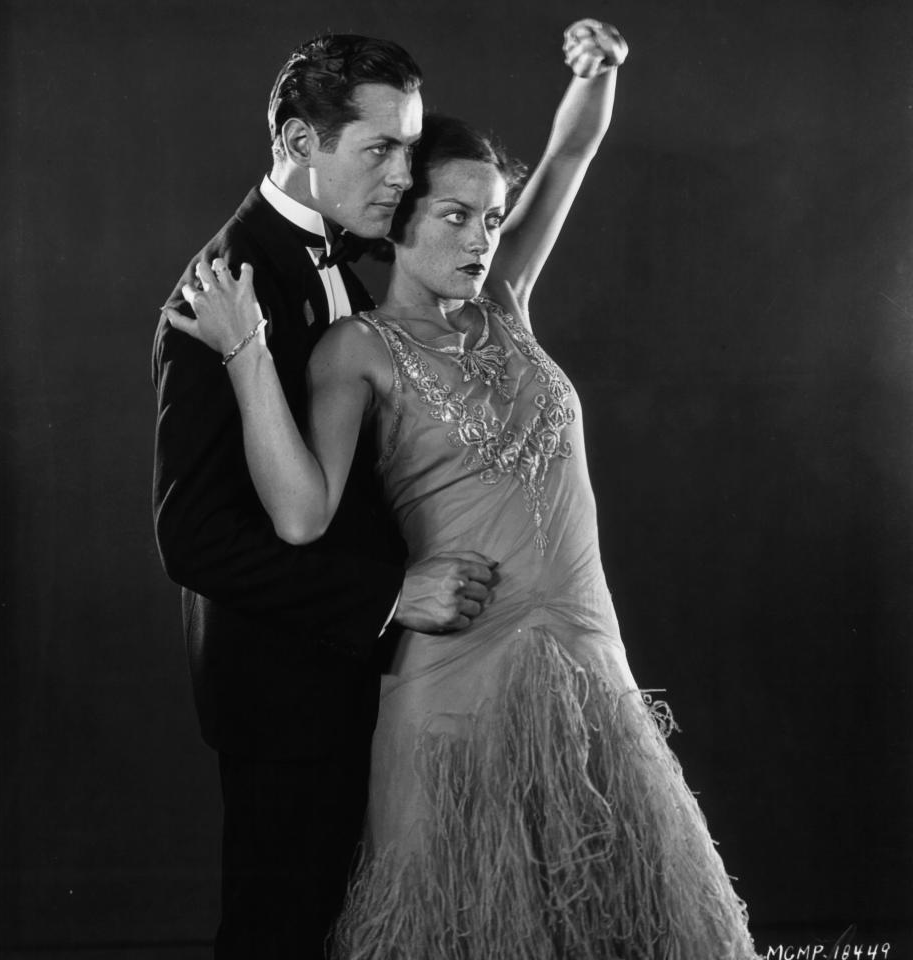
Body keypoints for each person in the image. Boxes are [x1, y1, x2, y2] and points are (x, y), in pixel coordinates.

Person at [165, 18, 761, 960]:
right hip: (445, 675)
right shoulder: (352, 346)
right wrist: (244, 351)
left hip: (587, 671)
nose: (484, 238)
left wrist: (599, 68)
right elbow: (291, 515)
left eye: (492, 217)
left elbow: (570, 154)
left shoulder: (503, 301)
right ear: (398, 222)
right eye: (455, 214)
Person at [151, 34, 497, 960]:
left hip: (373, 675)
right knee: (281, 937)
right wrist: (387, 596)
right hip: (285, 697)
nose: (401, 176)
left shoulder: (349, 257)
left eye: (408, 151)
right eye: (378, 150)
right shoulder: (219, 288)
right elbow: (192, 540)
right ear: (300, 142)